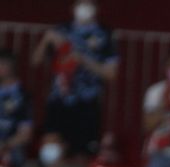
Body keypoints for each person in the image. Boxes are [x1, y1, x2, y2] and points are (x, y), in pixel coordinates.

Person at [33, 2, 118, 157]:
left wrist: (82, 60)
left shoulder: (105, 34)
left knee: (82, 152)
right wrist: (46, 39)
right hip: (59, 98)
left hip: (87, 100)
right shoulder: (61, 30)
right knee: (51, 149)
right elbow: (36, 61)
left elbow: (110, 74)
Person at [0, 51, 35, 167]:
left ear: (10, 67)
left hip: (10, 148)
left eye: (1, 64)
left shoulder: (22, 96)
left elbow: (26, 135)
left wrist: (4, 145)